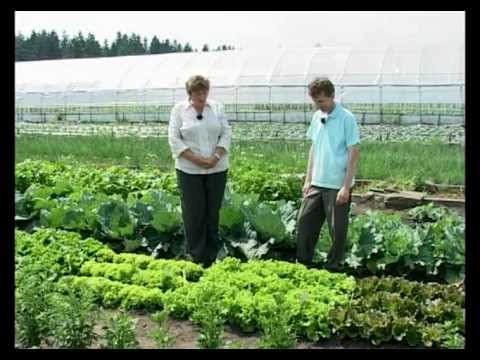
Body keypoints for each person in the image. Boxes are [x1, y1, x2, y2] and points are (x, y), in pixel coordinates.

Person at [296, 77, 360, 272]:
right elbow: (313, 148)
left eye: (322, 101)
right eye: (316, 102)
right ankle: (304, 262)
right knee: (305, 221)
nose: (319, 105)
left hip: (337, 183)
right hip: (317, 181)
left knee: (337, 229)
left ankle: (333, 265)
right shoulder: (317, 117)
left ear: (332, 96)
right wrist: (308, 179)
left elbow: (354, 152)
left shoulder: (346, 118)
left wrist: (346, 186)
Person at [168, 75, 232, 267]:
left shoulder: (217, 108)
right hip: (189, 170)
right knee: (194, 212)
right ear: (190, 93)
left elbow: (226, 132)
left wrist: (215, 157)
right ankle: (196, 254)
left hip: (217, 168)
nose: (202, 95)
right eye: (198, 92)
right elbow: (174, 138)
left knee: (213, 211)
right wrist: (197, 160)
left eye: (204, 91)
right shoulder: (179, 110)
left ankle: (212, 254)